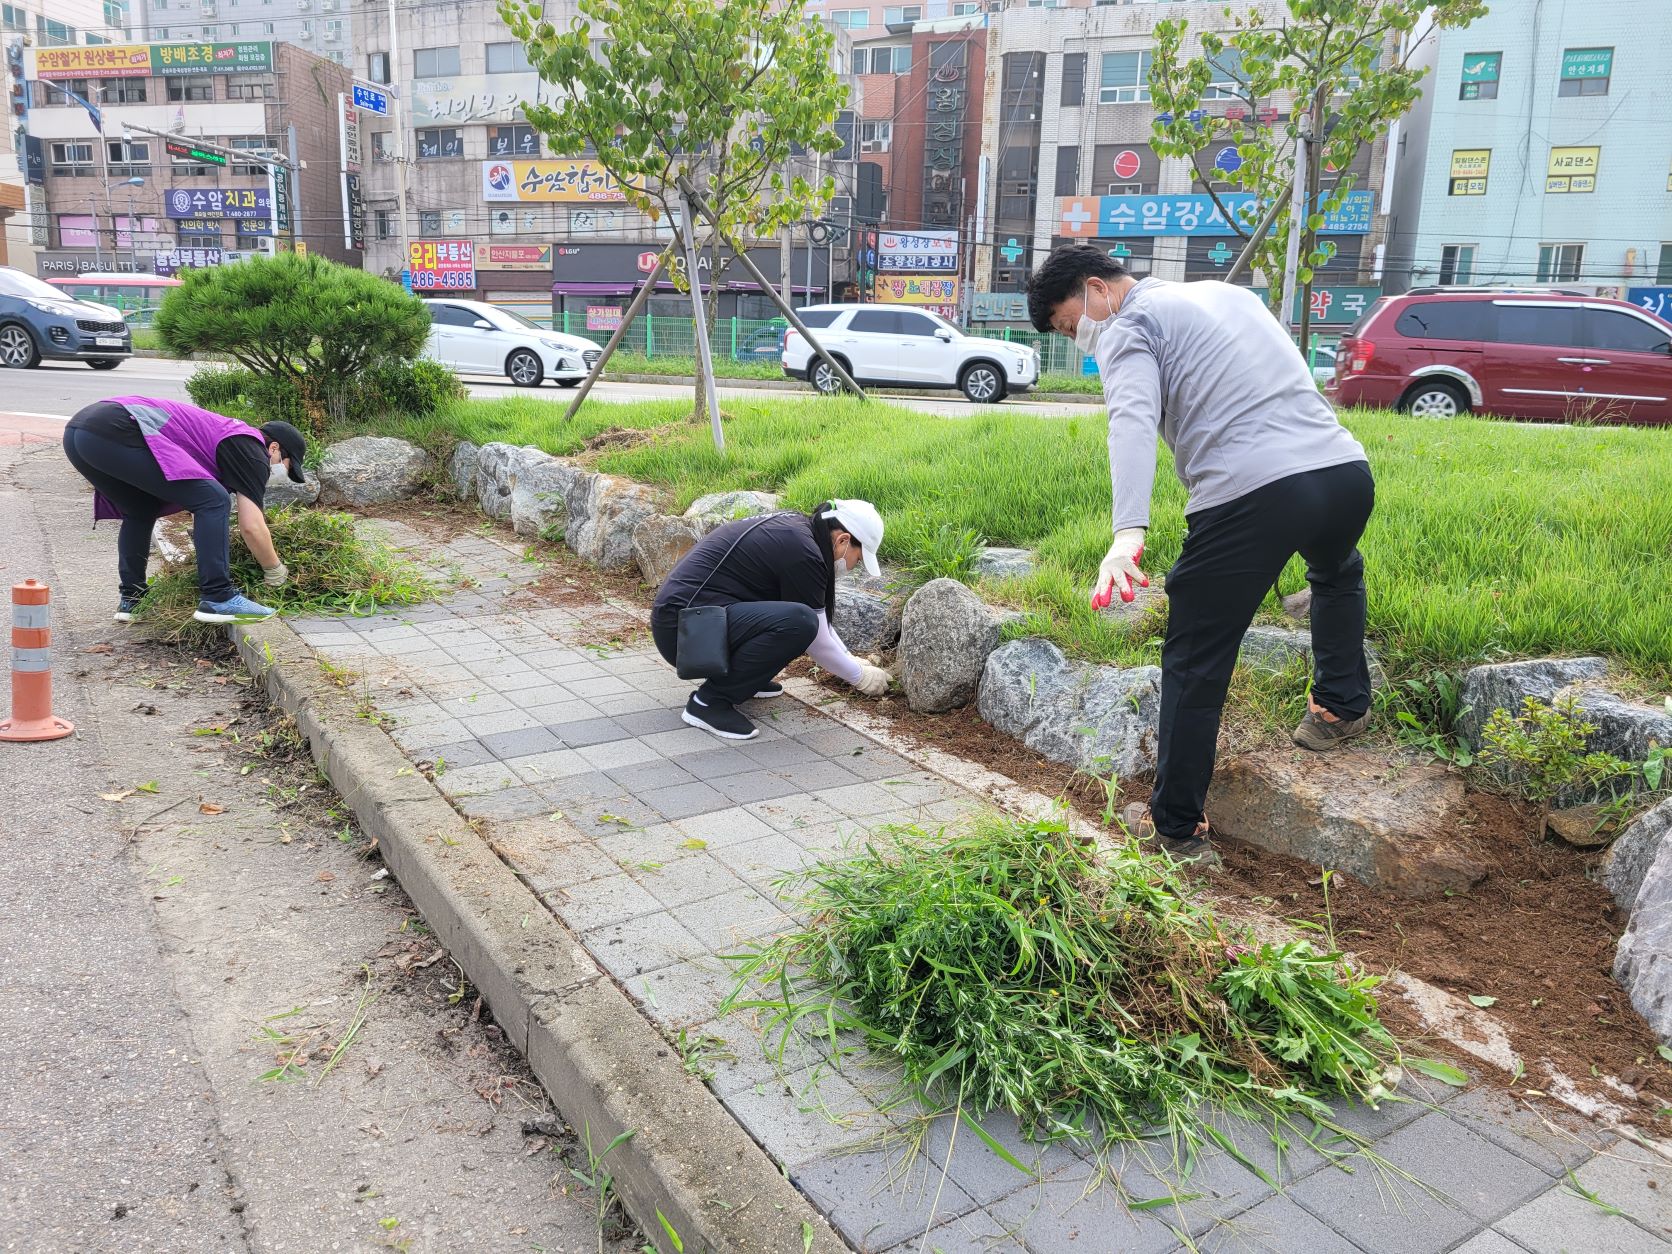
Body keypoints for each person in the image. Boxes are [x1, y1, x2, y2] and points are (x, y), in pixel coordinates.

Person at [1026, 244, 1375, 863]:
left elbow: (1130, 419)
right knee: (1337, 569)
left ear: (1096, 289)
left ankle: (1176, 829)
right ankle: (1341, 709)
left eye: (1067, 320)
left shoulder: (1126, 325)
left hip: (1252, 494)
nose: (1077, 335)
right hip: (1345, 472)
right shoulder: (1228, 294)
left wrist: (1127, 533)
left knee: (1195, 657)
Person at [650, 500, 894, 741]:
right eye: (858, 559)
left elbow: (821, 620)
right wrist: (859, 676)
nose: (853, 566)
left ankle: (742, 678)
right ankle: (708, 703)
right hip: (683, 633)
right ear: (843, 540)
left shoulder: (798, 532)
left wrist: (850, 658)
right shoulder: (804, 555)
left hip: (693, 621)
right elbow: (816, 636)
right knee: (798, 623)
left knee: (798, 619)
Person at [62, 396, 307, 625]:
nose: (282, 473)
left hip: (80, 433)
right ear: (274, 448)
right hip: (115, 426)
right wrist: (275, 570)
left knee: (141, 508)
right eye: (286, 465)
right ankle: (218, 597)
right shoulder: (253, 449)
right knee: (214, 501)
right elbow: (251, 526)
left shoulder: (230, 437)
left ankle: (133, 599)